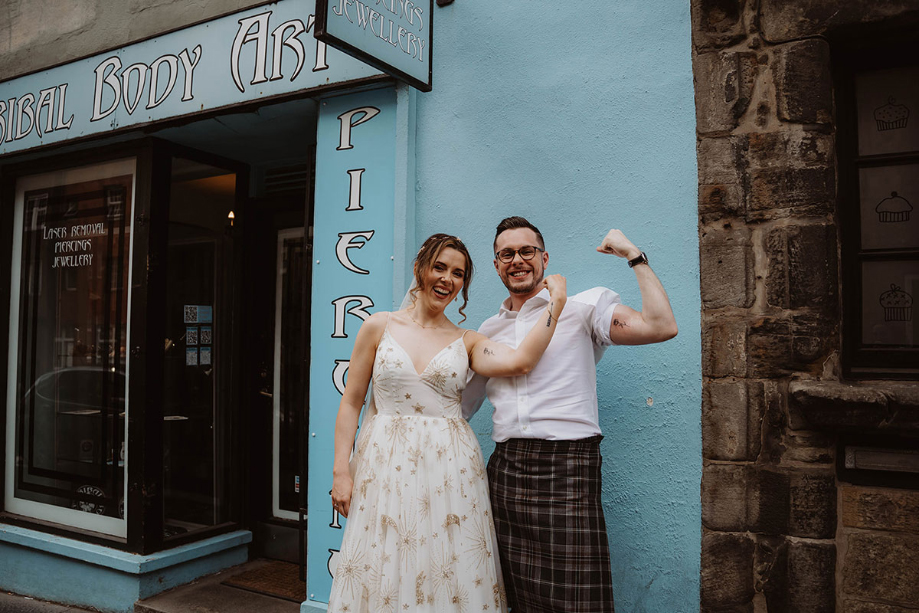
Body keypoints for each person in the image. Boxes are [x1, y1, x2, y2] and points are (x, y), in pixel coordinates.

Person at [328, 233, 568, 613]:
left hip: (449, 471)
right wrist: (342, 471)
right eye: (439, 267)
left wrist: (556, 303)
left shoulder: (468, 341)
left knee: (445, 564)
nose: (447, 279)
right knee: (386, 565)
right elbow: (351, 403)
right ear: (419, 268)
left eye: (458, 274)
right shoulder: (378, 326)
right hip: (383, 466)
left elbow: (520, 361)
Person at [462, 217, 678, 613]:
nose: (517, 260)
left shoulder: (584, 309)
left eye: (527, 251)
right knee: (513, 597)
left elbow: (661, 326)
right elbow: (461, 407)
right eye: (506, 254)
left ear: (544, 258)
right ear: (496, 265)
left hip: (569, 467)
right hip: (506, 471)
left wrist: (634, 257)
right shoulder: (486, 331)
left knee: (578, 603)